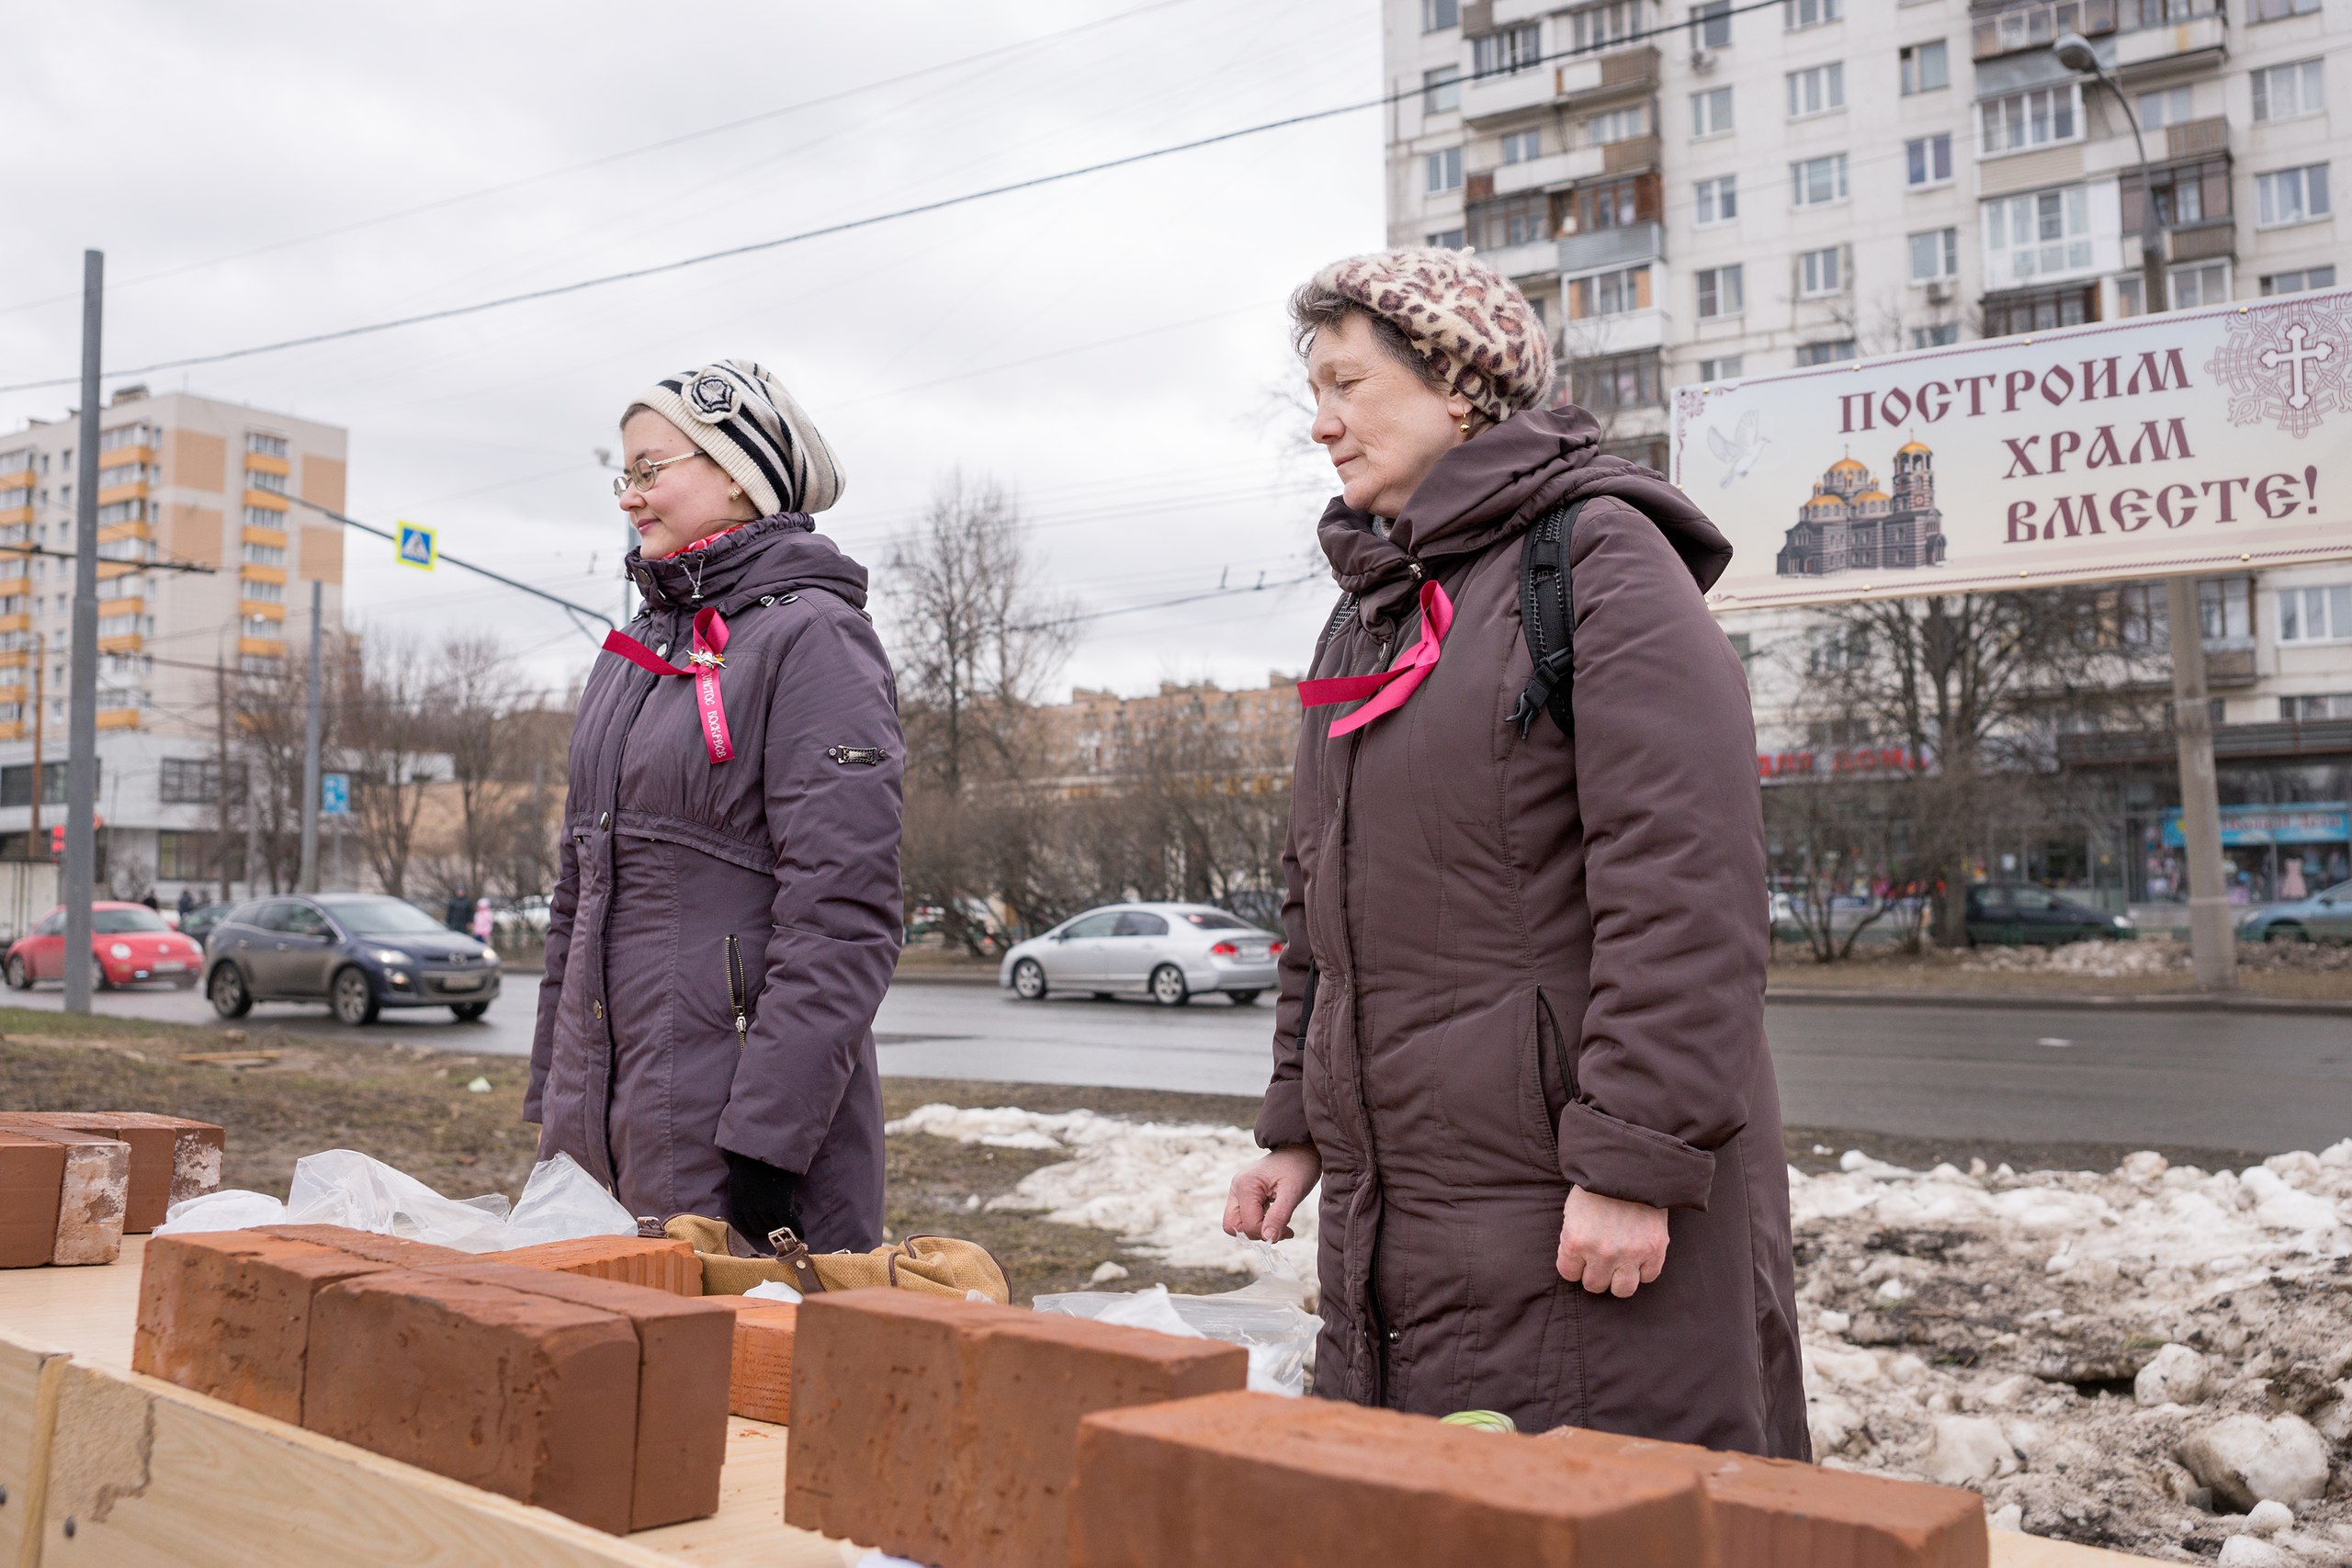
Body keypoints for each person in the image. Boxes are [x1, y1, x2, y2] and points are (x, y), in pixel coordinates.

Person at [1223, 250, 1806, 1457]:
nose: (1323, 424)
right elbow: (1313, 892)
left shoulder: (1599, 559)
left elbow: (1685, 885)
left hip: (1569, 1202)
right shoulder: (1369, 604)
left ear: (1460, 387)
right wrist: (1296, 1119)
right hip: (1407, 1207)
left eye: (1350, 384)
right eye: (1312, 394)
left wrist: (1635, 1162)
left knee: (1608, 1518)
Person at [527, 360, 903, 1254]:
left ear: (737, 470)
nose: (630, 497)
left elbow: (842, 915)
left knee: (734, 1388)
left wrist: (767, 1146)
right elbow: (578, 895)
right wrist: (554, 1098)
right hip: (600, 1134)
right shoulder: (631, 650)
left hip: (737, 1144)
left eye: (651, 470)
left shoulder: (814, 638)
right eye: (625, 475)